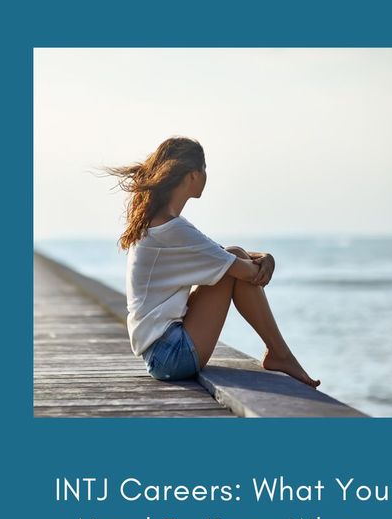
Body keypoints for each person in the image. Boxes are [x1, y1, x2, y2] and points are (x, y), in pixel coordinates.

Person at [104, 136, 321, 388]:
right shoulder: (173, 229)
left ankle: (279, 353)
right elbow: (240, 269)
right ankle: (280, 354)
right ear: (192, 175)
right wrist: (261, 265)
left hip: (160, 353)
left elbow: (217, 254)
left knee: (234, 256)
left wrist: (261, 257)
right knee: (234, 261)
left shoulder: (162, 224)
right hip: (171, 357)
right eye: (205, 168)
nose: (207, 174)